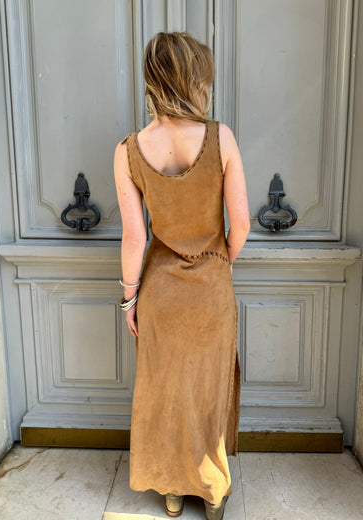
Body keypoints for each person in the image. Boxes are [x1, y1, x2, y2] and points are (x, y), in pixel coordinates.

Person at [113, 31, 250, 520]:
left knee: (165, 392)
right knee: (208, 391)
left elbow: (135, 238)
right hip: (211, 287)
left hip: (160, 292)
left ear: (153, 80)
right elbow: (242, 224)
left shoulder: (129, 150)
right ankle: (211, 491)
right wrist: (221, 262)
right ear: (193, 79)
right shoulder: (220, 137)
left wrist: (130, 300)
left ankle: (172, 491)